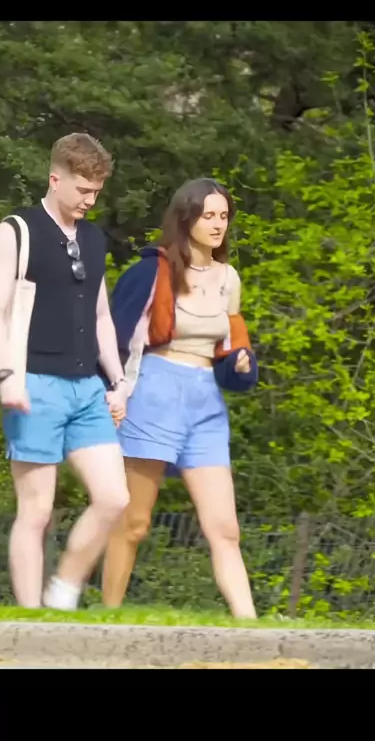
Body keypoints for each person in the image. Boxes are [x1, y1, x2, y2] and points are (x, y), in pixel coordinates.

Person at [0, 133, 130, 610]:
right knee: (37, 510)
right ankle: (30, 618)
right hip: (34, 382)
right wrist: (7, 377)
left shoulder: (93, 238)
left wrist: (119, 381)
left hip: (87, 386)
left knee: (114, 498)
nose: (90, 200)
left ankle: (63, 589)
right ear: (55, 178)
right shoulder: (16, 230)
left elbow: (101, 316)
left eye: (96, 192)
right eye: (83, 190)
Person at [101, 177, 258, 619]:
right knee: (134, 521)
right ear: (186, 218)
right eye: (208, 215)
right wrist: (111, 393)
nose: (218, 224)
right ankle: (107, 617)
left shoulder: (229, 278)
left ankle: (250, 624)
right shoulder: (153, 271)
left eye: (224, 216)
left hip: (206, 401)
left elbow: (233, 344)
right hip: (155, 392)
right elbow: (112, 337)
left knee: (224, 527)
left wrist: (240, 363)